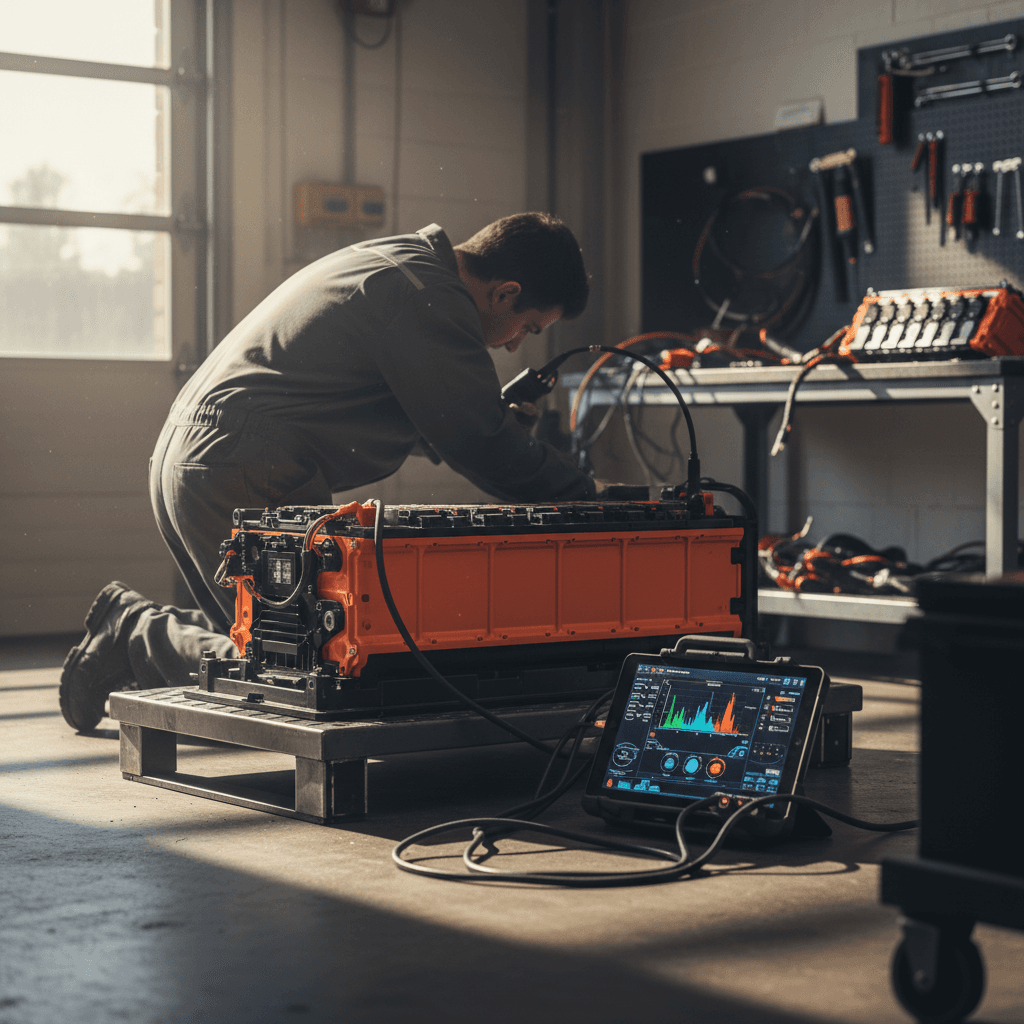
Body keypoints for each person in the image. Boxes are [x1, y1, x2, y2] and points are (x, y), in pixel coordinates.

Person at [60, 213, 596, 731]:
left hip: (201, 455)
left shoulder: (396, 263)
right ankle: (134, 632)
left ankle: (137, 630)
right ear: (505, 293)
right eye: (527, 327)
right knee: (307, 674)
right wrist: (587, 495)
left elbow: (382, 402)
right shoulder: (430, 297)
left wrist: (486, 419)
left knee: (276, 641)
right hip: (242, 466)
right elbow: (478, 441)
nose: (514, 344)